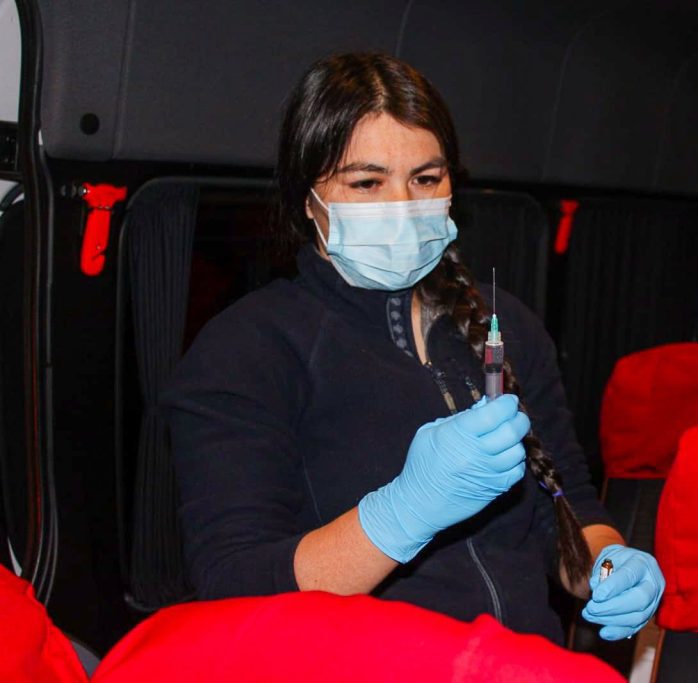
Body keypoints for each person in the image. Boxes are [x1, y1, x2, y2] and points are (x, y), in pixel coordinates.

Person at [162, 52, 664, 645]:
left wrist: (607, 564)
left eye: (425, 179)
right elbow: (233, 586)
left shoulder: (508, 325)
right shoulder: (248, 348)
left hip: (521, 662)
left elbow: (568, 504)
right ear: (307, 197)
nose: (401, 206)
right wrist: (401, 514)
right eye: (367, 182)